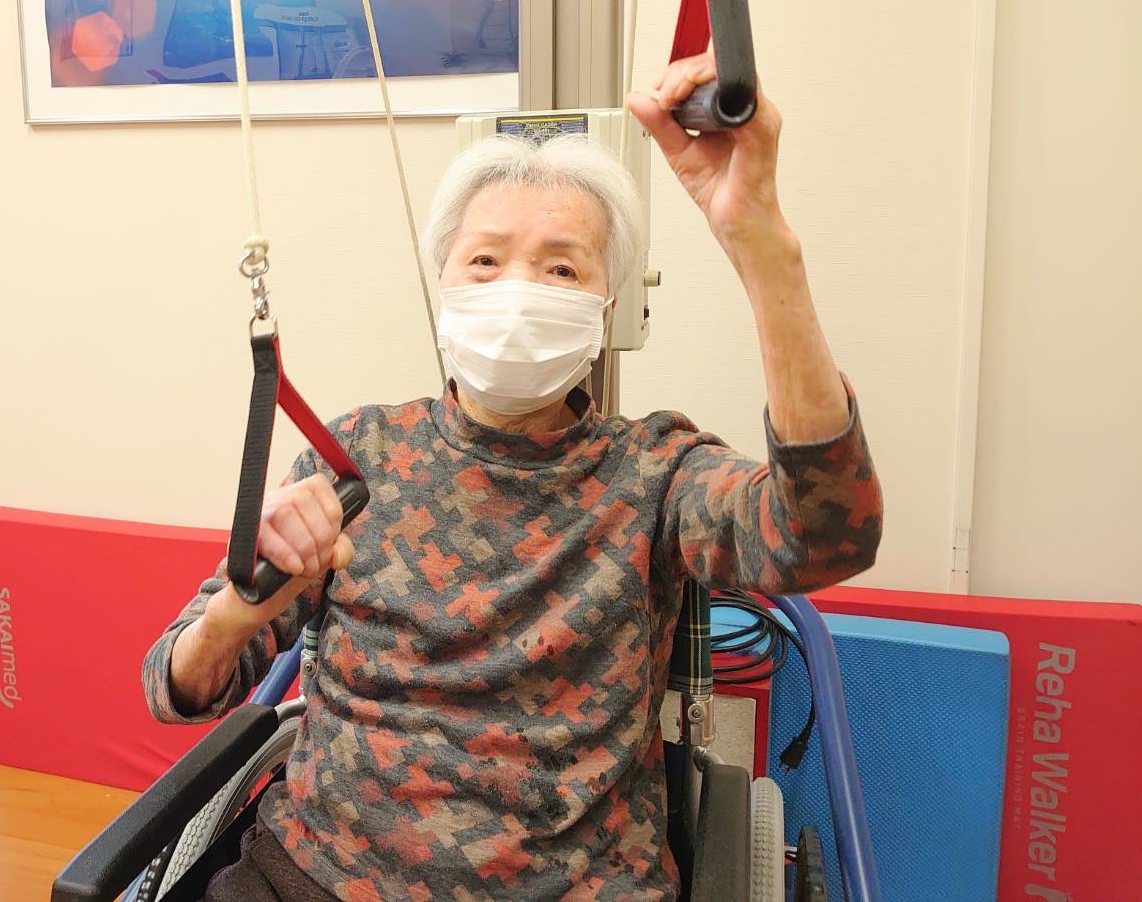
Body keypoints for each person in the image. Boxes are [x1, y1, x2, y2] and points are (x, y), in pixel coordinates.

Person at [143, 52, 883, 900]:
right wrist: (240, 610)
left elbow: (824, 536)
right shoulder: (354, 458)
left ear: (606, 309)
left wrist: (762, 247)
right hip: (309, 876)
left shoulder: (653, 473)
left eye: (561, 269)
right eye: (485, 261)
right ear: (444, 285)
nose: (517, 291)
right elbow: (176, 688)